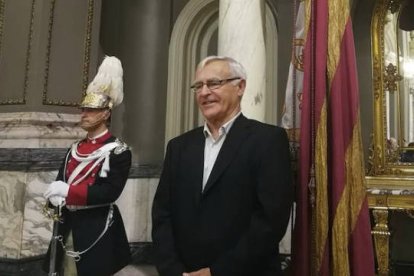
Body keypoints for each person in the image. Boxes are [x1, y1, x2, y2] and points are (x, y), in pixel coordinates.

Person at [152, 56, 293, 276]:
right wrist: (173, 271)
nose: (204, 92)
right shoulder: (178, 147)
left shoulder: (268, 141)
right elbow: (162, 215)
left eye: (214, 83)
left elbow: (270, 221)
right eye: (198, 86)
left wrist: (216, 272)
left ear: (240, 87)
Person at [43, 56, 131, 276]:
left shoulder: (118, 150)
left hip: (95, 226)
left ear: (105, 113)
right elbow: (60, 180)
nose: (84, 114)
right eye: (83, 109)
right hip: (67, 224)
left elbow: (109, 191)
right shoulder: (75, 148)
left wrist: (69, 192)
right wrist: (54, 197)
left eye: (90, 110)